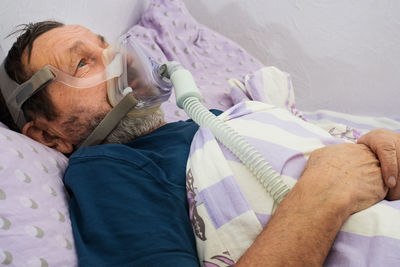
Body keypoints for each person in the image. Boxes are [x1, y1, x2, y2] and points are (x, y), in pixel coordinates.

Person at [0, 21, 399, 266]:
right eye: (83, 63)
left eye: (104, 45)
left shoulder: (202, 125)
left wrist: (370, 146)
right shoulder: (108, 169)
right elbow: (324, 182)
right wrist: (323, 194)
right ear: (47, 135)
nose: (119, 59)